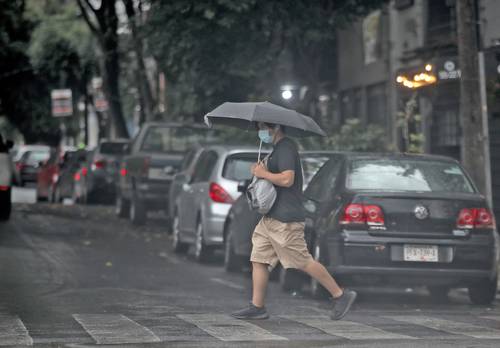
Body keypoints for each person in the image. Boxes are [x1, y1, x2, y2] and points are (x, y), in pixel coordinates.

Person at [231, 122, 357, 321]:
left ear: (276, 127)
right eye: (258, 128)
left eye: (263, 127)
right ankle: (257, 307)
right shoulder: (276, 150)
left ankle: (340, 295)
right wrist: (261, 170)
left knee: (301, 261)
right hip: (271, 217)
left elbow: (287, 179)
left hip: (286, 218)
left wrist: (263, 174)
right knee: (259, 259)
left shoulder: (286, 148)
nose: (260, 131)